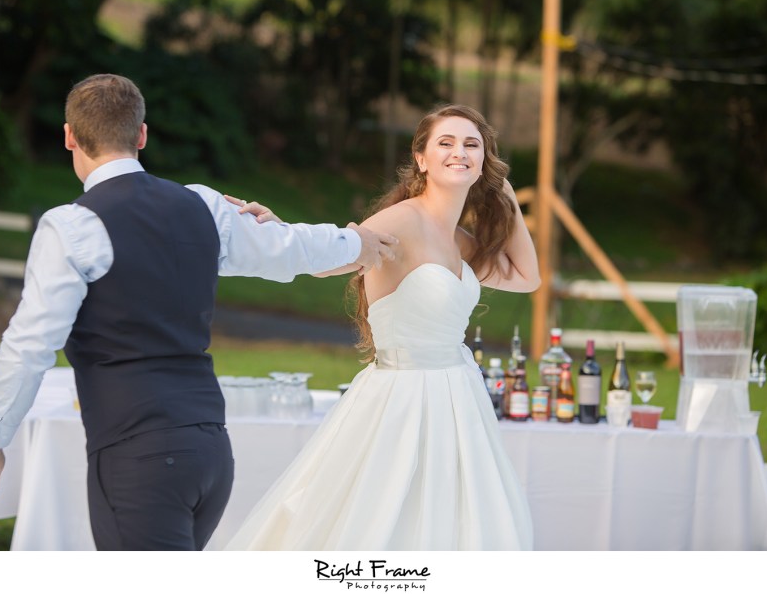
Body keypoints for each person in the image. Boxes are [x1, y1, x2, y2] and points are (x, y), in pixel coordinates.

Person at [0, 73, 398, 551]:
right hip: (209, 452)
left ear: (68, 136)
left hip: (137, 457)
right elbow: (286, 248)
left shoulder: (70, 227)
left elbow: (30, 346)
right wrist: (357, 241)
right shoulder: (202, 204)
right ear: (142, 135)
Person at [225, 103, 540, 550]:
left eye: (472, 145)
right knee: (380, 521)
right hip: (403, 398)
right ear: (422, 159)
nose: (460, 152)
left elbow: (527, 277)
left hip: (459, 396)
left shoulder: (459, 240)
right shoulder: (402, 222)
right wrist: (278, 229)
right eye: (445, 143)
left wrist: (506, 194)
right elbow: (330, 260)